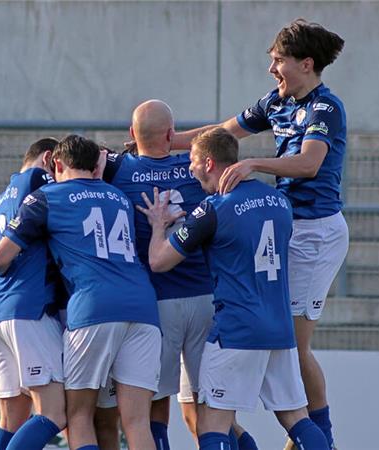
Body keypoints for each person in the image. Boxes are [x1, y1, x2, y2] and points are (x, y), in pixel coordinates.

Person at [172, 19, 347, 449]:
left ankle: (318, 438)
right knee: (276, 333)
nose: (272, 69)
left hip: (315, 234)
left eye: (278, 61)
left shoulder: (326, 108)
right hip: (285, 226)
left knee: (292, 344)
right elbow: (224, 132)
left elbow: (309, 164)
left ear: (306, 64)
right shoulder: (277, 102)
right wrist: (168, 141)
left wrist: (253, 164)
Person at [139, 127, 330, 450]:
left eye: (194, 162)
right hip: (279, 328)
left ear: (209, 163)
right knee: (297, 417)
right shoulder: (279, 201)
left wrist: (158, 226)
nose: (190, 169)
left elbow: (159, 261)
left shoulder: (213, 209)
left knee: (212, 421)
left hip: (236, 328)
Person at [96, 100, 258, 450]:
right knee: (211, 409)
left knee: (154, 403)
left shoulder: (120, 169)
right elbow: (217, 138)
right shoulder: (196, 164)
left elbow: (90, 158)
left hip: (156, 302)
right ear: (173, 134)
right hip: (206, 298)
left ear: (131, 134)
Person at [0, 135, 161, 450]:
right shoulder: (117, 196)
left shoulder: (47, 195)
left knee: (77, 416)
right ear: (96, 166)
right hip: (144, 308)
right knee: (136, 421)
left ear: (56, 163)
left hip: (93, 307)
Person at [0, 138, 67, 450]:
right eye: (59, 169)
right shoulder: (38, 180)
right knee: (55, 412)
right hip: (30, 307)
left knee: (12, 417)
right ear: (49, 159)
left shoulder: (6, 193)